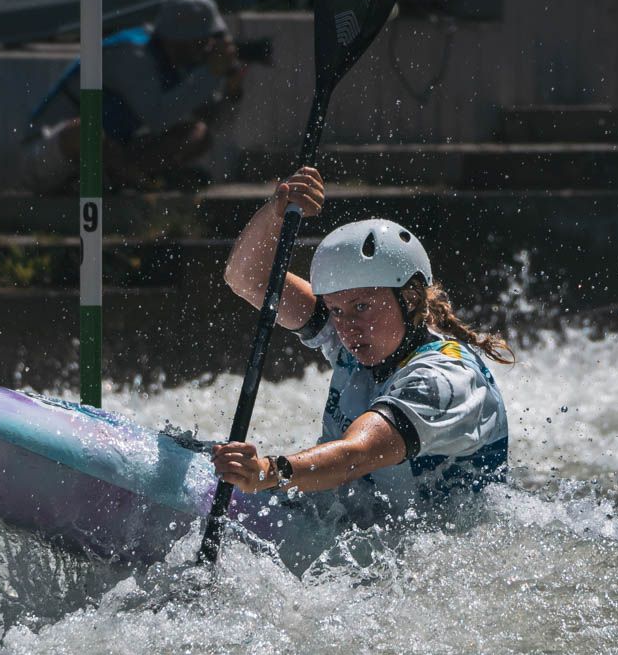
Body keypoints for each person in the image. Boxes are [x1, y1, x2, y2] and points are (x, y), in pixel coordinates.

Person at [213, 167, 511, 524]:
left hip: (430, 552)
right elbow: (247, 278)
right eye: (336, 309)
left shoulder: (444, 379)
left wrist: (267, 472)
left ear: (411, 298)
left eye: (362, 307)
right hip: (361, 527)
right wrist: (277, 209)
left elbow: (360, 451)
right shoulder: (356, 336)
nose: (348, 326)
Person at [23, 0, 245, 193]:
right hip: (48, 155)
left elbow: (214, 125)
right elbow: (159, 116)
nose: (208, 48)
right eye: (202, 41)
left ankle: (127, 181)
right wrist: (210, 74)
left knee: (197, 134)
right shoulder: (132, 54)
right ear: (180, 39)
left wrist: (231, 93)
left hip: (109, 157)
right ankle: (133, 180)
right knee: (86, 131)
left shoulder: (180, 65)